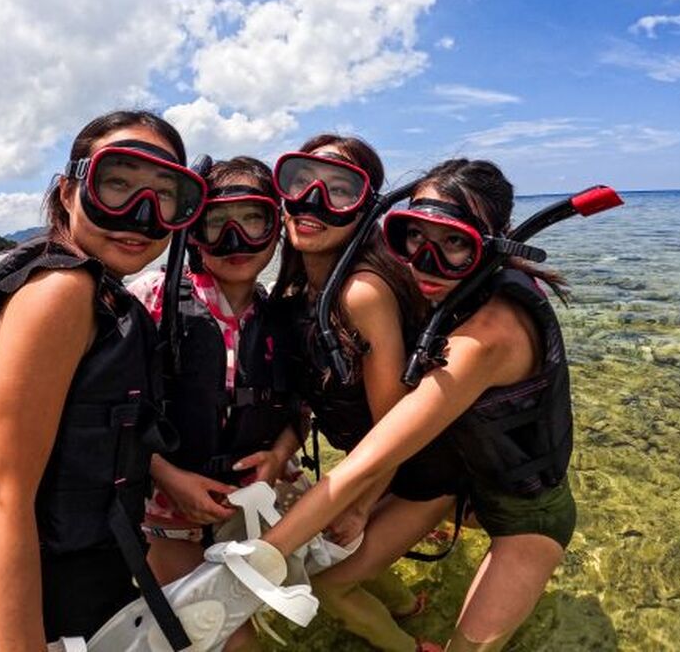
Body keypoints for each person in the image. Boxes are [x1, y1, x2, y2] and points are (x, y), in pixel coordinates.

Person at [261, 158, 579, 652]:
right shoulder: (457, 293)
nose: (426, 264)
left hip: (527, 517)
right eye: (415, 237)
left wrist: (261, 556)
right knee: (334, 581)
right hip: (467, 486)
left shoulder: (486, 338)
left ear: (493, 242)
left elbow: (372, 457)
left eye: (454, 243)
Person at [0, 110, 207, 650]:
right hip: (52, 591)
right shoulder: (61, 293)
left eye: (166, 195)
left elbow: (87, 431)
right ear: (69, 192)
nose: (142, 214)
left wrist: (167, 475)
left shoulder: (94, 293)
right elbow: (2, 495)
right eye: (116, 183)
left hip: (97, 563)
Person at [272, 136, 458, 652]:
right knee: (343, 552)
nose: (312, 203)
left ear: (366, 208)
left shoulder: (361, 292)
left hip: (423, 471)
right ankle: (406, 606)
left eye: (338, 192)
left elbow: (397, 425)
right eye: (300, 183)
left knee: (330, 587)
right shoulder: (302, 292)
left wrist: (363, 504)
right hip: (380, 466)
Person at [127, 156, 302, 652]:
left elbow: (298, 410)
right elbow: (104, 413)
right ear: (193, 231)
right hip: (166, 515)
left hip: (256, 497)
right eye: (216, 223)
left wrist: (279, 456)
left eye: (253, 221)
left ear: (276, 228)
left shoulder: (280, 316)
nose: (236, 240)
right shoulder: (152, 300)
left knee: (336, 568)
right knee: (223, 636)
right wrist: (166, 476)